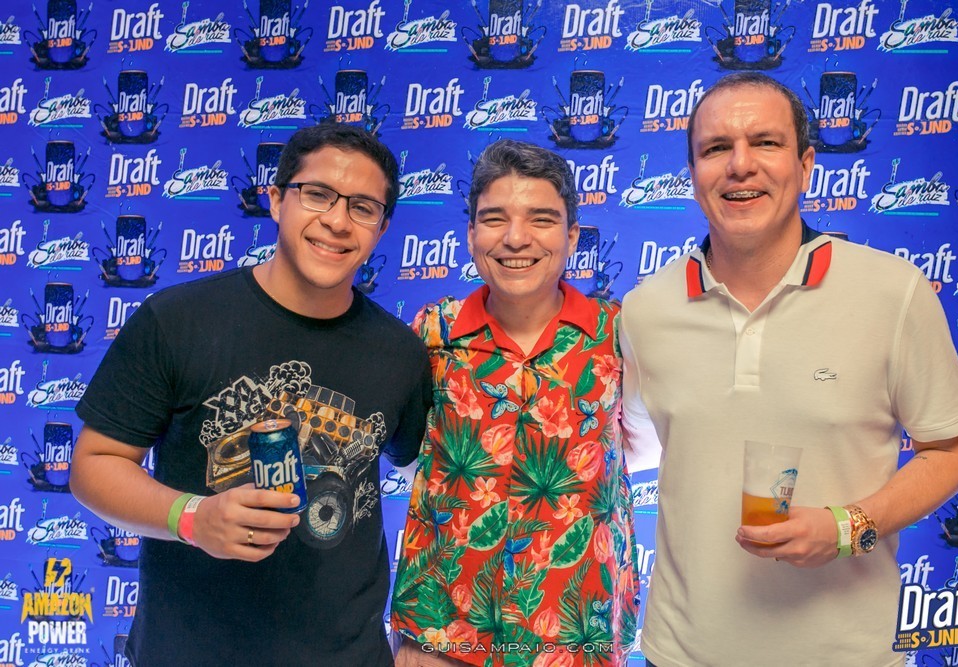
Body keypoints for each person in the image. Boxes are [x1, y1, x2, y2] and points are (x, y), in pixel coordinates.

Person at [620, 72, 958, 666]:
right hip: (679, 653)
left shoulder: (893, 293)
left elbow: (954, 453)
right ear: (693, 176)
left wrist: (847, 526)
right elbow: (632, 447)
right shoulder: (644, 311)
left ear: (806, 165)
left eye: (765, 142)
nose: (740, 165)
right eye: (716, 148)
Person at [70, 122, 432, 667]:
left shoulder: (400, 352)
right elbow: (94, 465)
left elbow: (433, 479)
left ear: (381, 228)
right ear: (277, 200)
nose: (337, 221)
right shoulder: (177, 320)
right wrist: (192, 517)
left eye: (362, 207)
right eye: (318, 194)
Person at [390, 139, 658, 667]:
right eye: (494, 219)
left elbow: (643, 448)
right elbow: (405, 451)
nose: (516, 238)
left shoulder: (618, 333)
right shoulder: (433, 332)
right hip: (443, 632)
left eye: (541, 219)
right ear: (471, 234)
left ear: (572, 235)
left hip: (575, 631)